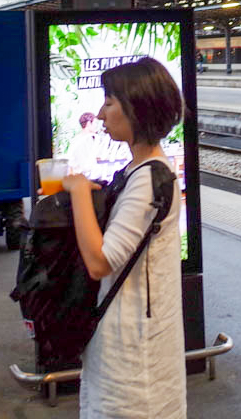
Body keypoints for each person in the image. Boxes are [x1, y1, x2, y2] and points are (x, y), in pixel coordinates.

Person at [62, 57, 186, 419]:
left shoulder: (148, 179)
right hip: (129, 343)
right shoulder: (139, 170)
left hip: (134, 361)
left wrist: (78, 192)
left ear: (137, 109)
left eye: (109, 103)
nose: (101, 114)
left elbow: (100, 262)